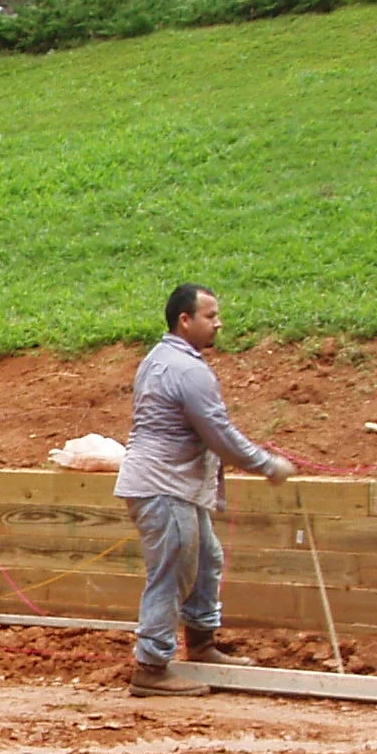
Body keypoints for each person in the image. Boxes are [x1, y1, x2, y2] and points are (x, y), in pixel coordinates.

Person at [113, 283, 292, 698]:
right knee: (172, 571)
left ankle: (202, 642)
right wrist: (267, 466)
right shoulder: (186, 369)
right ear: (185, 320)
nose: (219, 323)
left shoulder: (162, 359)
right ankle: (152, 667)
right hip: (164, 486)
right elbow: (218, 433)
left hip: (173, 485)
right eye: (211, 316)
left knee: (206, 558)